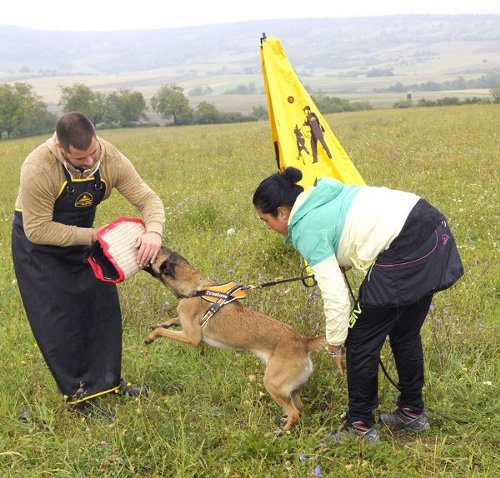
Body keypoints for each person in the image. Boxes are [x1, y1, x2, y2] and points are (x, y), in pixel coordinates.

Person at [253, 166, 463, 442]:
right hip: (432, 227)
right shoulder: (321, 196)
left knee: (360, 339)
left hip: (407, 244)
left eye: (265, 220)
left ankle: (360, 427)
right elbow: (354, 229)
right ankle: (412, 413)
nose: (267, 227)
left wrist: (336, 343)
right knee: (404, 331)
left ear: (282, 211)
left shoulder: (305, 226)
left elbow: (336, 296)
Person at [12, 112, 165, 413]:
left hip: (86, 239)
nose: (90, 161)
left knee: (101, 305)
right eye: (80, 159)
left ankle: (109, 381)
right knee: (58, 317)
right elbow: (38, 229)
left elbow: (149, 199)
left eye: (93, 152)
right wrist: (99, 235)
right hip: (39, 249)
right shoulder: (38, 167)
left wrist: (153, 232)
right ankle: (80, 395)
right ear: (60, 149)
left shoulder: (109, 158)